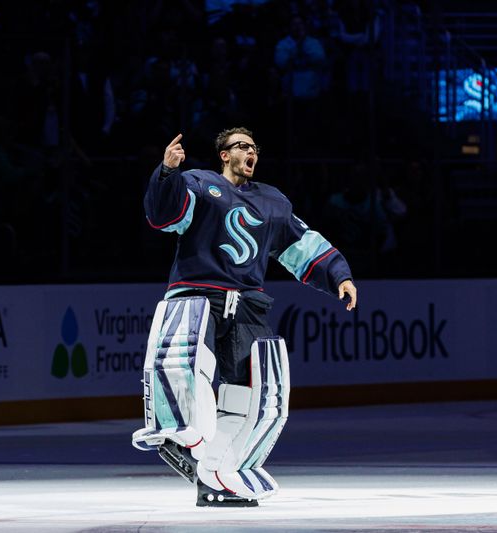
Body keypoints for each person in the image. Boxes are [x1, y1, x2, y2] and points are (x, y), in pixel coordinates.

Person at [133, 127, 357, 507]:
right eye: (242, 146)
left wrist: (340, 275)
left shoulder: (273, 201)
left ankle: (216, 473)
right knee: (187, 367)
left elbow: (303, 245)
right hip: (199, 293)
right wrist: (167, 173)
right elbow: (163, 216)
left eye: (254, 147)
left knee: (254, 395)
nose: (251, 152)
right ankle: (179, 435)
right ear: (224, 155)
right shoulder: (199, 184)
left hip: (249, 304)